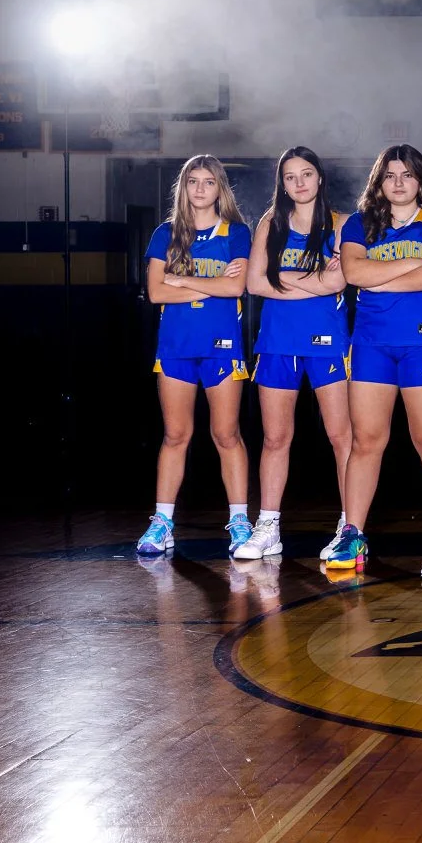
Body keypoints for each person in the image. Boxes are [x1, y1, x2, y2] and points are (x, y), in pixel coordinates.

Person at [329, 145, 422, 570]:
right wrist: (412, 264)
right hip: (371, 345)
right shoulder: (359, 224)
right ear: (378, 182)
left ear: (421, 180)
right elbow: (355, 274)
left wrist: (383, 278)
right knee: (366, 441)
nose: (399, 183)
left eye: (407, 175)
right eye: (390, 175)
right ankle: (352, 534)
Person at [135, 156, 253, 557]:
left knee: (226, 434)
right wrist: (212, 285)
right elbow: (156, 293)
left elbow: (236, 289)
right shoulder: (164, 234)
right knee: (175, 435)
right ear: (182, 188)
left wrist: (181, 278)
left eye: (208, 182)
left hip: (221, 345)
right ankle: (162, 522)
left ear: (220, 188)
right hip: (176, 347)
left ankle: (240, 520)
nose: (200, 189)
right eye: (193, 182)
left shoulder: (236, 233)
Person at [240, 146, 351, 562]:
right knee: (275, 437)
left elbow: (338, 284)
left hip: (328, 341)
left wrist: (283, 276)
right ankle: (268, 525)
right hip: (278, 341)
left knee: (342, 437)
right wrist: (315, 278)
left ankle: (350, 524)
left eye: (306, 174)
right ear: (282, 183)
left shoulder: (341, 224)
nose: (299, 182)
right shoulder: (271, 223)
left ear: (320, 177)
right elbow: (255, 283)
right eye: (290, 176)